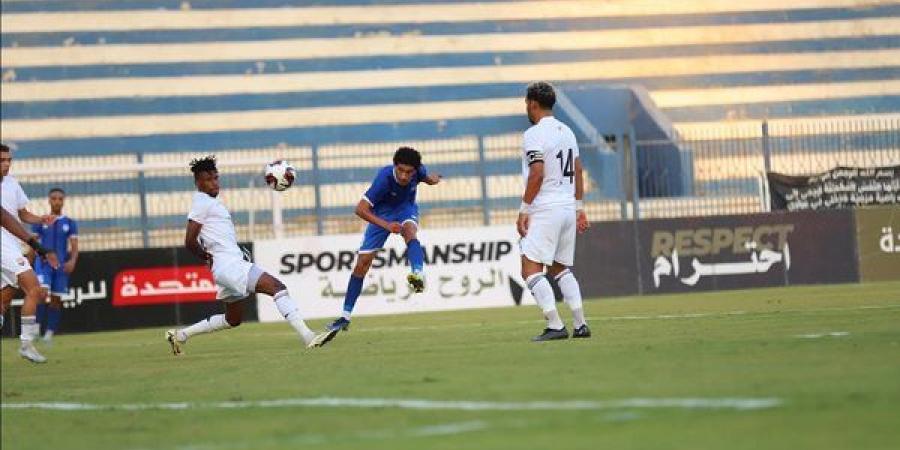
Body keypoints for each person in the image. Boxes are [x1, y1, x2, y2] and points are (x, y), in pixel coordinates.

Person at [166, 155, 332, 355]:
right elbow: (189, 241)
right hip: (229, 266)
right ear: (198, 182)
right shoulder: (202, 204)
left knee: (232, 320)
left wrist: (222, 254)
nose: (213, 183)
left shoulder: (209, 203)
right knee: (277, 288)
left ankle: (179, 336)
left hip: (225, 267)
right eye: (208, 179)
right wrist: (206, 257)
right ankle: (308, 336)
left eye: (215, 178)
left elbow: (212, 238)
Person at [320, 146, 441, 340]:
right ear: (395, 166)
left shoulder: (419, 170)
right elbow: (360, 209)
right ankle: (344, 316)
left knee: (410, 231)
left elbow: (425, 178)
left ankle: (418, 273)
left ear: (415, 170)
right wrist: (386, 225)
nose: (403, 176)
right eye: (400, 170)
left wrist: (431, 180)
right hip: (380, 215)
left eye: (408, 172)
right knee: (362, 264)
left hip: (405, 209)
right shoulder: (384, 179)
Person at [517, 82, 592, 342]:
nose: (526, 108)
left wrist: (524, 209)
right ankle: (581, 324)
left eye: (527, 103)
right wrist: (580, 208)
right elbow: (579, 170)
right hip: (567, 207)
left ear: (533, 104)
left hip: (546, 208)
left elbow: (537, 172)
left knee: (530, 269)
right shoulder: (567, 131)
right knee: (560, 268)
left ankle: (555, 325)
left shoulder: (534, 134)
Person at [2, 203, 59, 363]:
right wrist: (37, 247)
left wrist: (40, 220)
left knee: (3, 302)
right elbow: (5, 218)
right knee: (35, 290)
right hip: (5, 248)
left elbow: (20, 214)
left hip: (10, 246)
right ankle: (26, 344)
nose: (6, 175)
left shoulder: (12, 184)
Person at [33, 188, 79, 343]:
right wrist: (28, 261)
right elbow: (33, 243)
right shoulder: (42, 221)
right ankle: (35, 329)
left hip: (60, 266)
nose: (57, 201)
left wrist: (72, 261)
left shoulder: (70, 223)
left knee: (56, 299)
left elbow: (74, 246)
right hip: (43, 263)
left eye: (60, 198)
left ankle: (49, 334)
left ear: (63, 201)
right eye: (54, 198)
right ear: (49, 200)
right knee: (41, 293)